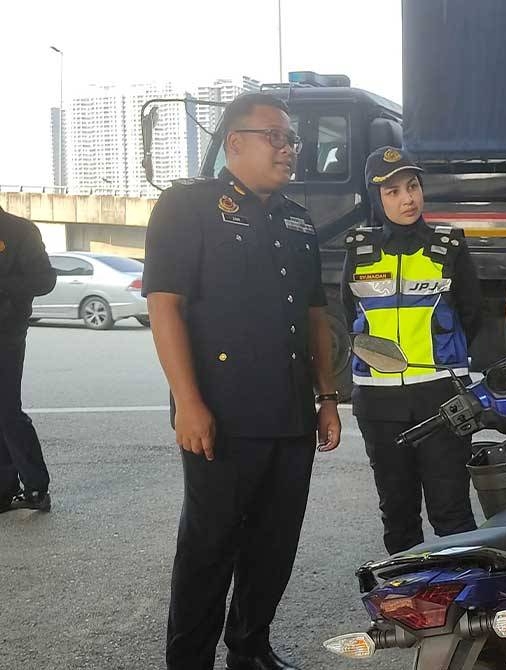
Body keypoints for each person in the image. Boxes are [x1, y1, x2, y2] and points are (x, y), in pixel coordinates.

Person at [143, 92, 343, 670]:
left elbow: (313, 315)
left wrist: (326, 398)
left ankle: (250, 648)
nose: (289, 150)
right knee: (209, 548)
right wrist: (188, 402)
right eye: (275, 137)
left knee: (274, 546)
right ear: (235, 143)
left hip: (290, 413)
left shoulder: (298, 218)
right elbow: (165, 307)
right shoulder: (188, 207)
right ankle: (189, 661)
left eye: (293, 140)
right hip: (222, 413)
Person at [342, 146, 481, 555]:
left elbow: (471, 315)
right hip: (377, 401)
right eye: (393, 192)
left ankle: (463, 604)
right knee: (398, 516)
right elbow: (350, 313)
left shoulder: (449, 245)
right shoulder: (359, 249)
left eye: (413, 186)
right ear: (376, 198)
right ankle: (411, 607)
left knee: (452, 514)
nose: (407, 199)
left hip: (441, 397)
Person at [0, 205, 56, 514]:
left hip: (5, 332)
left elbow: (44, 280)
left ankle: (36, 486)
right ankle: (5, 489)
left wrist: (4, 284)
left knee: (7, 411)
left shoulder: (18, 230)